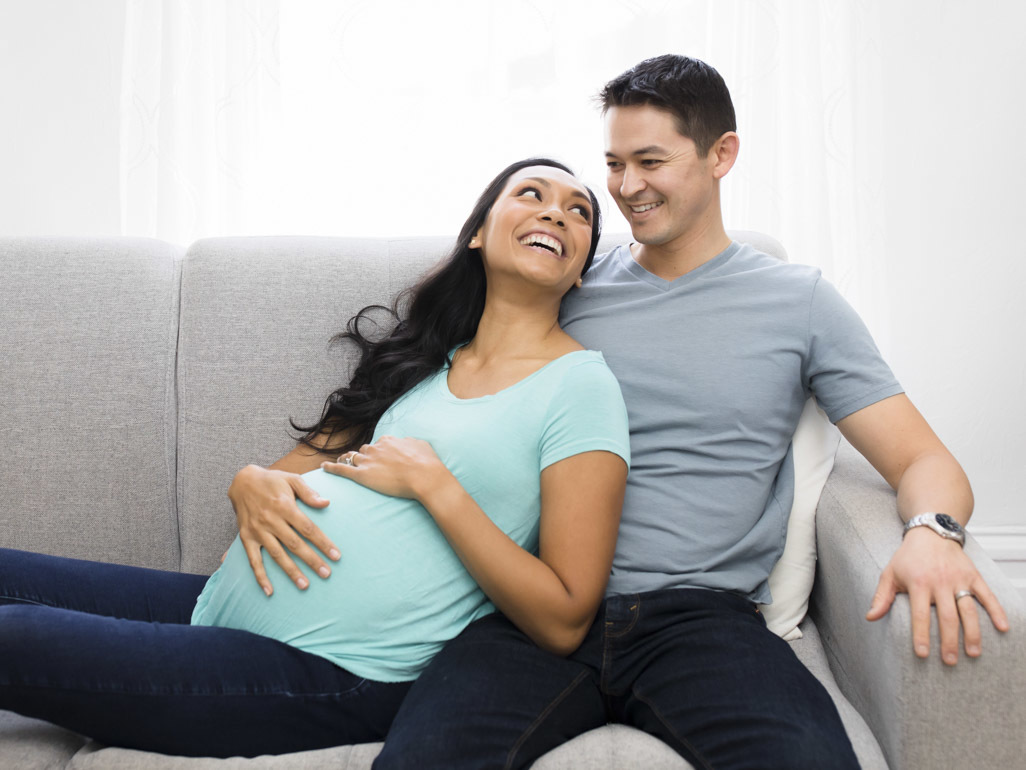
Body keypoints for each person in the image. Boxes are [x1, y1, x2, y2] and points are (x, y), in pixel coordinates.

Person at [231, 56, 1010, 768]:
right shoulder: (566, 279)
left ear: (720, 156)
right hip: (527, 618)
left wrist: (933, 534)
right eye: (614, 164)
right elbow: (417, 375)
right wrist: (263, 474)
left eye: (650, 162)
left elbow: (920, 459)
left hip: (698, 618)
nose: (626, 187)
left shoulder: (796, 300)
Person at [0, 158, 631, 758]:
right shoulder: (424, 361)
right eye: (531, 194)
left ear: (580, 270)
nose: (555, 213)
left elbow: (564, 617)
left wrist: (437, 486)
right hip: (216, 605)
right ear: (477, 234)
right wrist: (248, 482)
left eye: (579, 211)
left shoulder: (580, 385)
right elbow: (286, 472)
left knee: (14, 639)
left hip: (341, 670)